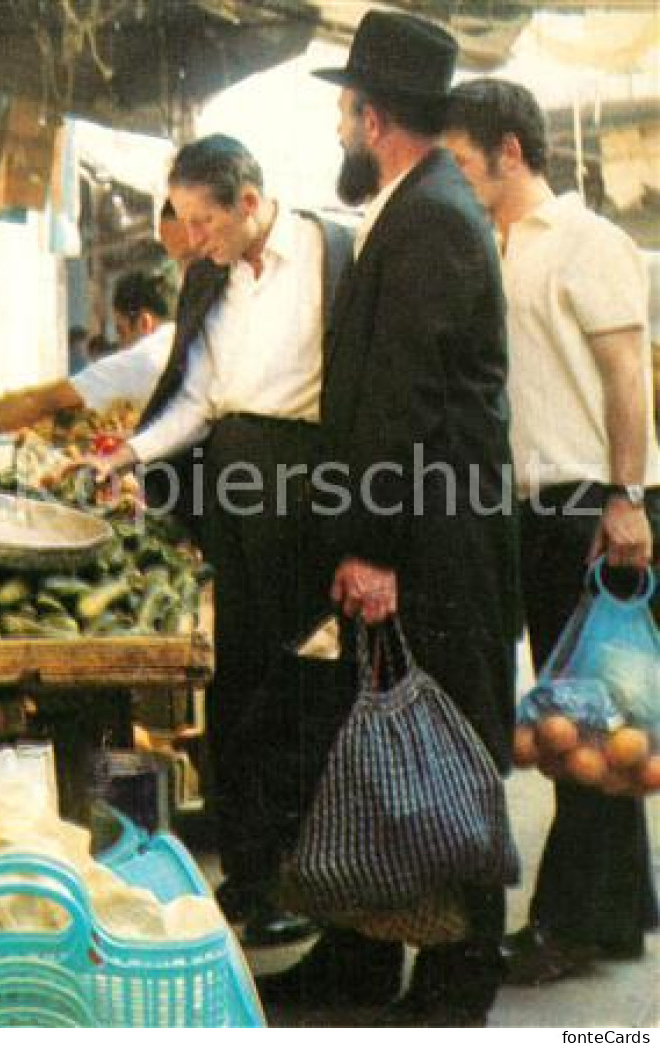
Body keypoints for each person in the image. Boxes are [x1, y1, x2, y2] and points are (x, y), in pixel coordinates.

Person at [258, 12, 523, 1026]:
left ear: (373, 118)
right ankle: (362, 962)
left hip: (434, 543)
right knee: (382, 751)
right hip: (428, 531)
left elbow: (403, 402)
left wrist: (373, 546)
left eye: (340, 112)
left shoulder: (432, 219)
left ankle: (460, 977)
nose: (335, 131)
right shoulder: (422, 208)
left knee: (447, 751)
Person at [99, 134, 352, 950]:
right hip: (233, 475)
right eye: (183, 221)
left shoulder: (329, 252)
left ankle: (299, 879)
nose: (192, 240)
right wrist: (129, 453)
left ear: (248, 202)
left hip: (308, 475)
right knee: (237, 677)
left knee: (297, 686)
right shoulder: (207, 278)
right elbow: (197, 400)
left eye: (203, 221)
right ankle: (248, 877)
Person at [443, 78, 658, 985]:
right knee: (588, 712)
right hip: (531, 507)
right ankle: (614, 915)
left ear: (511, 152)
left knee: (583, 720)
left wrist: (626, 497)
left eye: (461, 160)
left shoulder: (585, 241)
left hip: (589, 504)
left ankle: (569, 924)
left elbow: (626, 376)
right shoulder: (492, 246)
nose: (452, 176)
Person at [0, 261, 180, 434]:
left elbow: (41, 402)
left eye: (122, 332)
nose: (122, 346)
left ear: (144, 322)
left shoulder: (142, 359)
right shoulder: (183, 339)